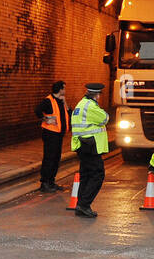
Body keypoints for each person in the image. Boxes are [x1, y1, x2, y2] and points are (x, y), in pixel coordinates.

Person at [70, 82, 109, 217]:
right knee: (98, 174)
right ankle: (84, 205)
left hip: (82, 145)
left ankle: (80, 205)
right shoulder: (90, 106)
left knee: (86, 176)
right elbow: (105, 118)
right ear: (97, 95)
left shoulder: (80, 104)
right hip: (90, 145)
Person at [35, 80, 68, 191]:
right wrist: (45, 119)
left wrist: (65, 103)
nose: (65, 90)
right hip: (50, 134)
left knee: (56, 158)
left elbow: (69, 113)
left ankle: (51, 181)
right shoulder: (48, 101)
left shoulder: (61, 101)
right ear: (60, 89)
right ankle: (44, 183)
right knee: (49, 158)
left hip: (58, 134)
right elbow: (37, 110)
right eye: (64, 88)